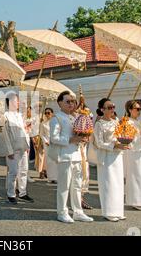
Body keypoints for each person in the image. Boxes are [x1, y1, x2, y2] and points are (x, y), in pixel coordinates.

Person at [48, 91, 93, 223]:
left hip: (77, 155)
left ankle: (78, 211)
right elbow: (54, 138)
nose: (71, 104)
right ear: (60, 103)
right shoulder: (56, 118)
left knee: (77, 186)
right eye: (68, 101)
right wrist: (70, 139)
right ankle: (62, 212)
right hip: (65, 156)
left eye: (73, 101)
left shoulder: (76, 117)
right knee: (64, 186)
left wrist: (83, 138)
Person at [94, 98, 129, 222]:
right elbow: (99, 143)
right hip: (106, 157)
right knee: (108, 184)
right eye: (109, 107)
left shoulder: (117, 121)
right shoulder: (99, 124)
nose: (112, 109)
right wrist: (114, 145)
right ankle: (109, 212)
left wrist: (125, 141)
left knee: (118, 184)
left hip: (117, 156)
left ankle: (118, 211)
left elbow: (121, 136)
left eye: (113, 107)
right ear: (102, 110)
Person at [2, 93, 34, 204]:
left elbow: (23, 132)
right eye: (16, 101)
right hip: (13, 149)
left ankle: (22, 192)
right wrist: (8, 150)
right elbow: (5, 135)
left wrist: (27, 142)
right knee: (13, 172)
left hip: (23, 147)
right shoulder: (5, 116)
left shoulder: (20, 115)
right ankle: (11, 194)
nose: (18, 103)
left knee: (24, 170)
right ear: (10, 102)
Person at [38, 108, 54, 179]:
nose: (47, 114)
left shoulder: (55, 122)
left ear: (52, 113)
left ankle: (52, 173)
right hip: (46, 142)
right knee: (47, 158)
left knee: (54, 158)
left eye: (49, 113)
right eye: (46, 113)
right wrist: (45, 141)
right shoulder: (43, 123)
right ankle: (45, 171)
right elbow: (41, 134)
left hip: (54, 142)